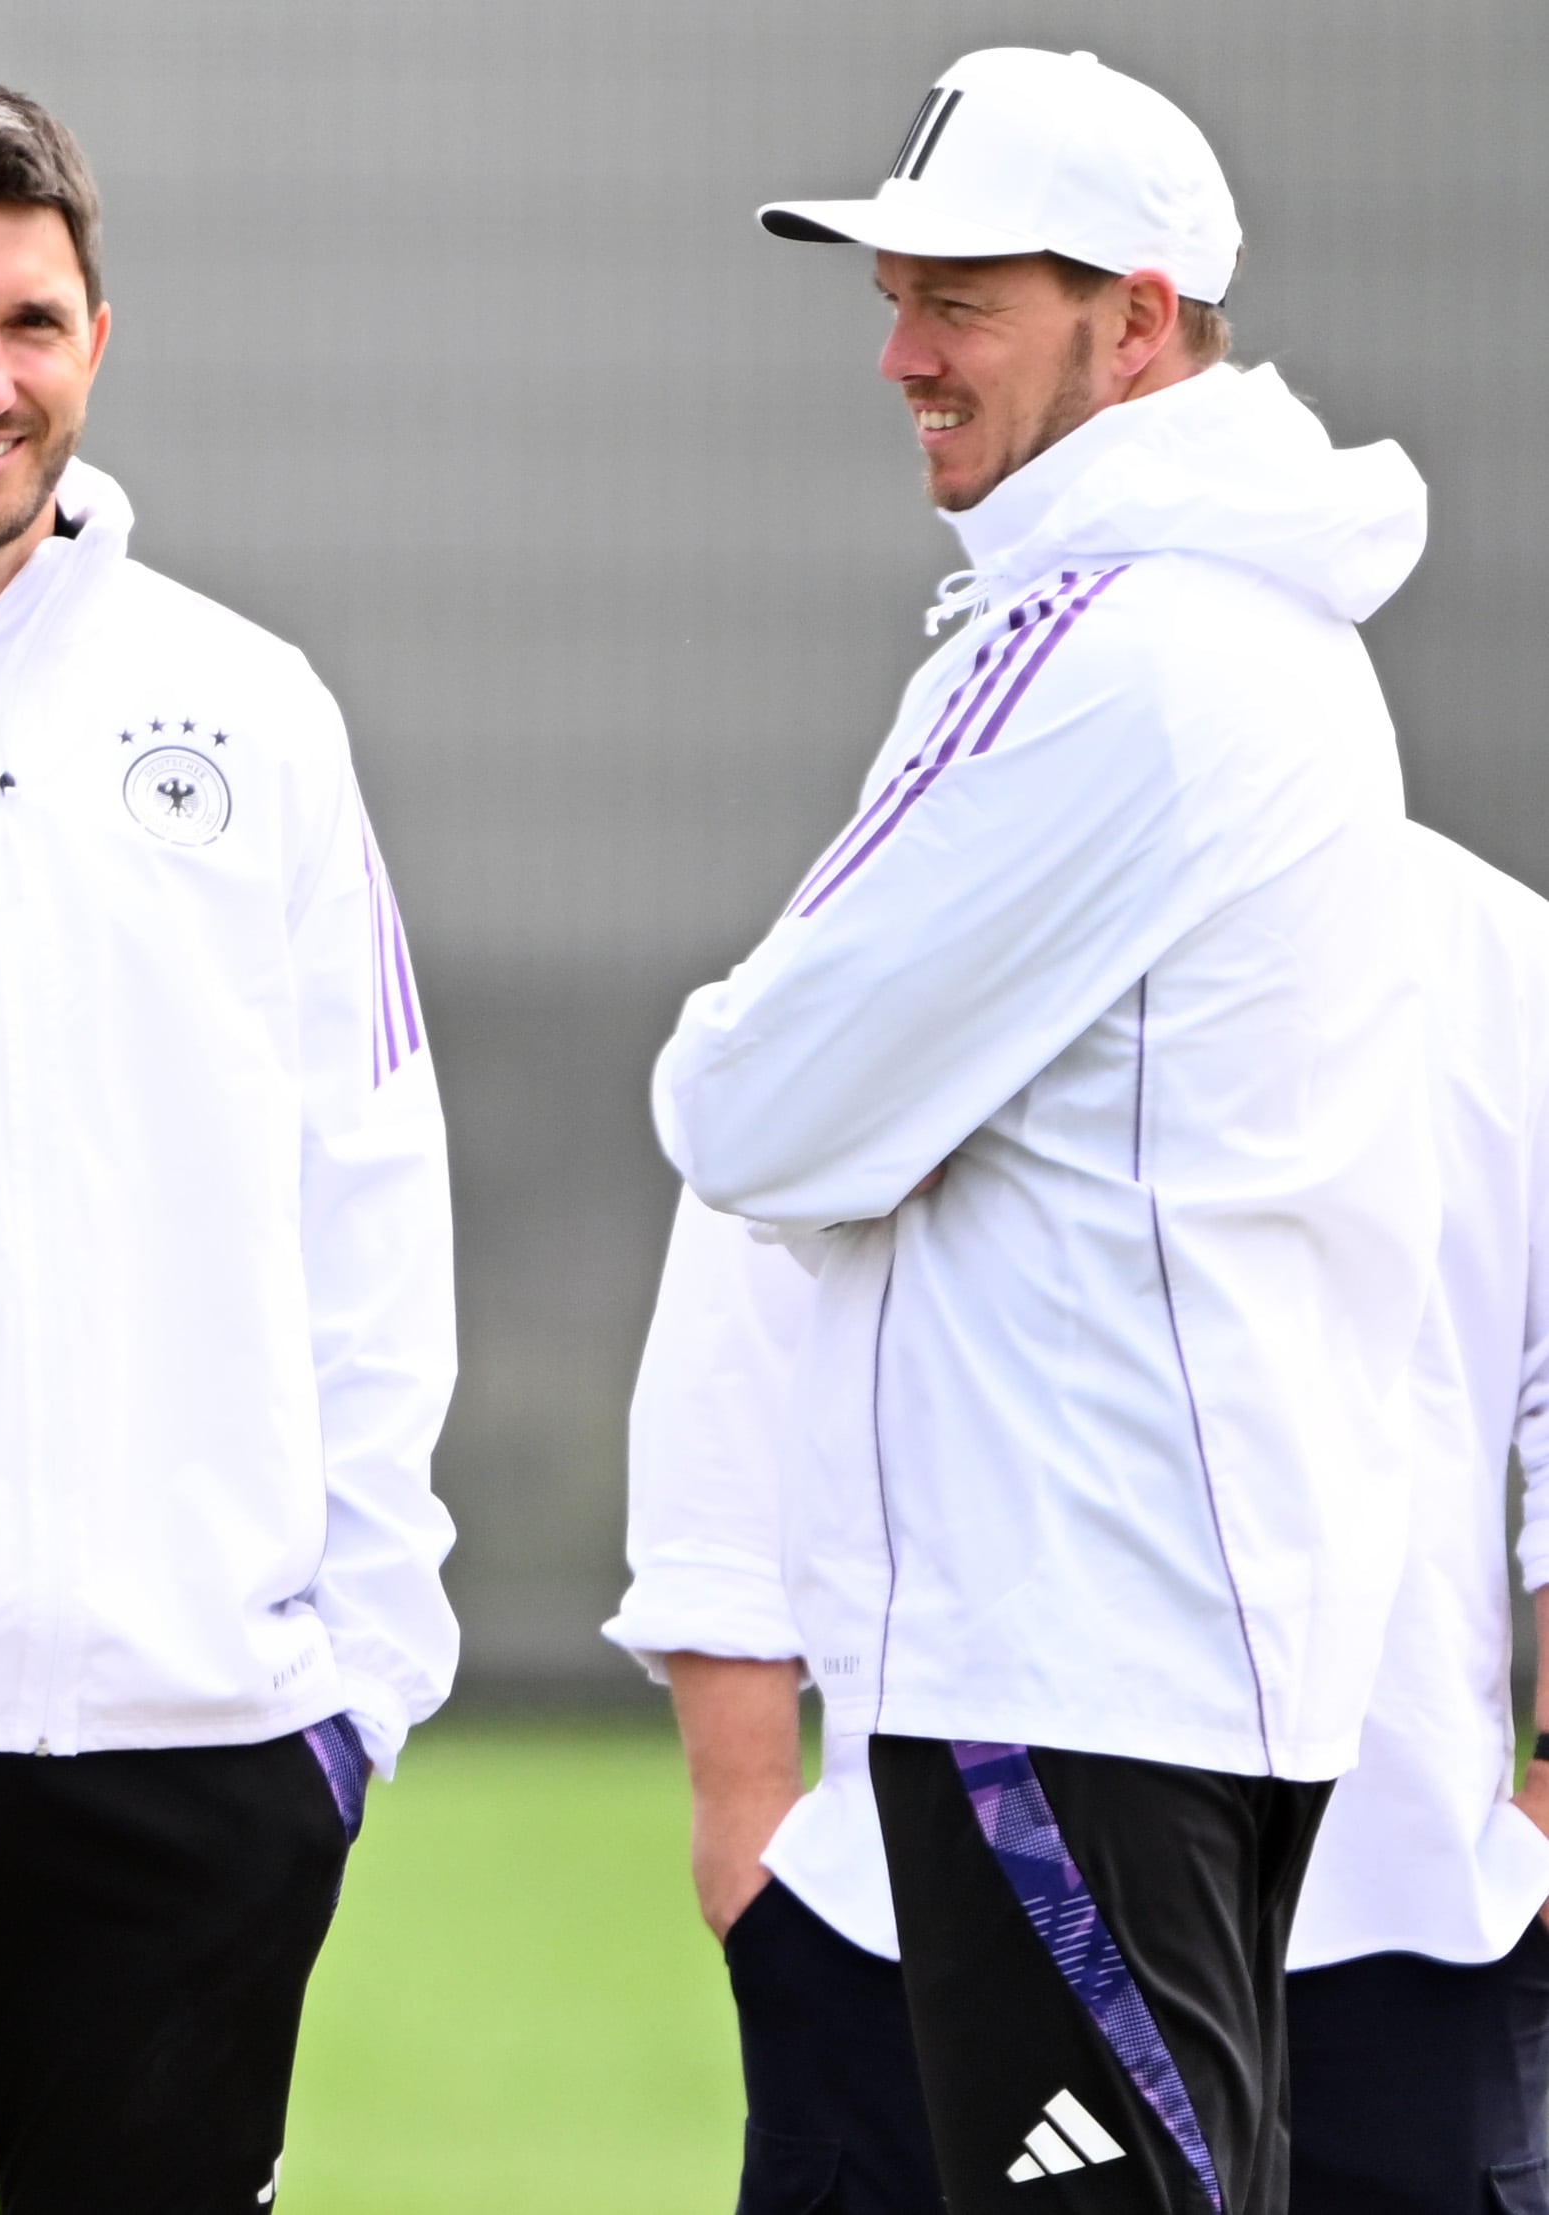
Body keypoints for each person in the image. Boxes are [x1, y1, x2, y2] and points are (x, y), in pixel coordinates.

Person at [653, 47, 1439, 2213]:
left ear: (1148, 318)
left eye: (970, 297)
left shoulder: (1119, 644)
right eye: (897, 292)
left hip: (1067, 1651)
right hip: (1148, 1646)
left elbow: (748, 1103)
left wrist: (811, 1087)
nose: (905, 350)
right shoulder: (1225, 633)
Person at [0, 80, 460, 2215]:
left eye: (35, 326)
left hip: (199, 1735)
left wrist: (357, 1676)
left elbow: (370, 1174)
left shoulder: (249, 704)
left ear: (97, 338)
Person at [616, 825, 1549, 2213]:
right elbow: (736, 1346)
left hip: (1403, 1933)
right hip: (927, 1923)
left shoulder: (1492, 954)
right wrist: (746, 1821)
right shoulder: (902, 911)